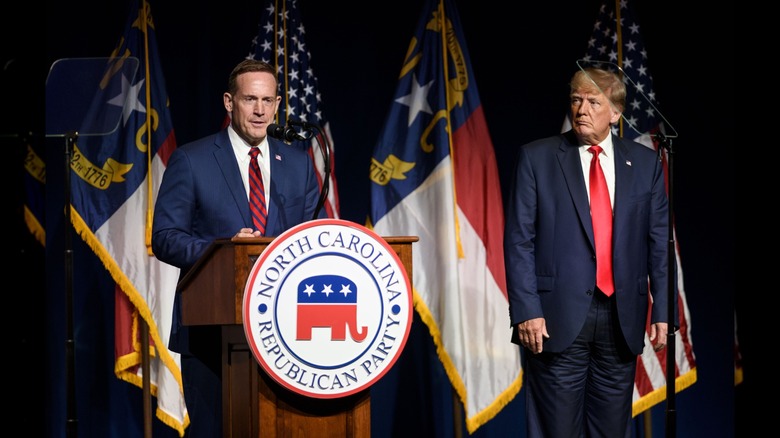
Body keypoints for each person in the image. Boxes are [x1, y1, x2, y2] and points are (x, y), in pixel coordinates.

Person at [152, 59, 325, 437]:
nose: (260, 110)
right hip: (212, 330)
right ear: (229, 102)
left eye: (267, 100)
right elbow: (165, 236)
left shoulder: (298, 164)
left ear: (278, 104)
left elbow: (318, 238)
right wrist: (223, 251)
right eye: (250, 99)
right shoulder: (192, 160)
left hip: (286, 333)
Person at [503, 66, 678, 438]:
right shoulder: (537, 158)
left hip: (621, 319)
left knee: (611, 431)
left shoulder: (645, 164)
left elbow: (658, 243)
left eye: (593, 102)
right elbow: (518, 240)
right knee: (557, 431)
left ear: (615, 113)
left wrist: (663, 309)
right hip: (555, 319)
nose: (581, 109)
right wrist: (527, 309)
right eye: (576, 100)